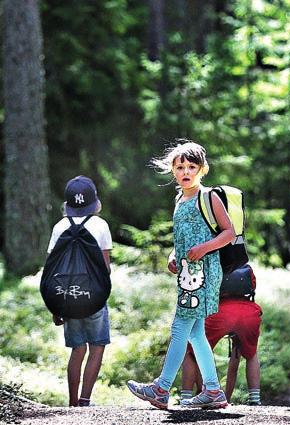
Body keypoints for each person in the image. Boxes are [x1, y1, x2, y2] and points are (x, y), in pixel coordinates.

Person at [127, 141, 236, 410]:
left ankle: (161, 388)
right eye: (180, 167)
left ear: (202, 169)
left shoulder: (207, 197)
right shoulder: (179, 199)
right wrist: (174, 255)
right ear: (172, 170)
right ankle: (212, 390)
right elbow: (182, 238)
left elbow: (228, 233)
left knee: (180, 327)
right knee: (195, 333)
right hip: (188, 273)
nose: (186, 171)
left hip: (204, 273)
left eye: (192, 166)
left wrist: (203, 248)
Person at [47, 175, 112, 407]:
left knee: (77, 349)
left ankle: (72, 402)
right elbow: (105, 269)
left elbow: (52, 269)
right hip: (93, 298)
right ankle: (85, 400)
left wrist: (55, 306)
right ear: (94, 202)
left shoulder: (59, 227)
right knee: (96, 347)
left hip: (67, 298)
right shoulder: (100, 225)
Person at [181, 297, 262, 405]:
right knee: (251, 354)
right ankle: (254, 399)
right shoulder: (249, 278)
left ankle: (188, 397)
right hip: (249, 313)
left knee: (192, 350)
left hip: (220, 312)